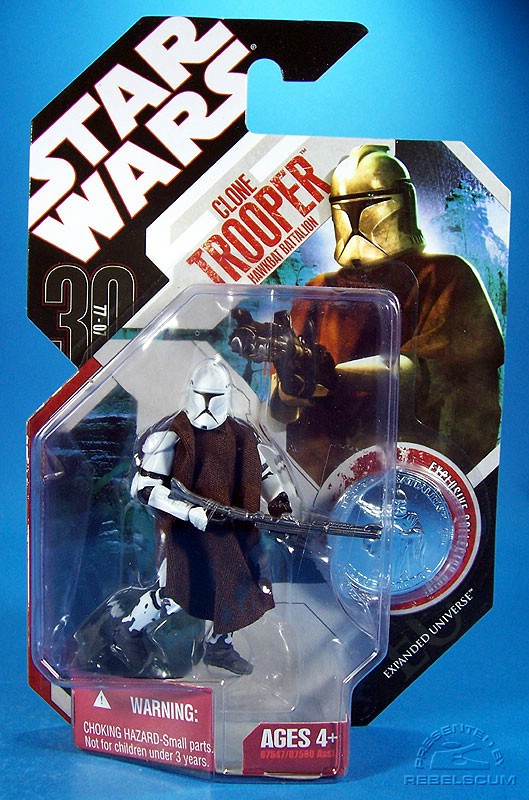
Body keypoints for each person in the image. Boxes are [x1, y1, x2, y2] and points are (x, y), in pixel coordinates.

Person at [231, 144, 504, 480]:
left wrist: (333, 375)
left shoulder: (444, 275)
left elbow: (438, 373)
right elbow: (280, 415)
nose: (356, 218)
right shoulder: (318, 290)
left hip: (416, 466)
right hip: (328, 474)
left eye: (368, 205)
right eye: (346, 207)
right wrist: (289, 391)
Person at [128, 358, 291, 675]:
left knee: (238, 590)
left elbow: (264, 473)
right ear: (191, 392)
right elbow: (145, 488)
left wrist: (280, 504)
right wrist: (189, 512)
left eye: (214, 396)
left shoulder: (242, 436)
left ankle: (219, 646)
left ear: (227, 395)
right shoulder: (171, 437)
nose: (206, 403)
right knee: (173, 593)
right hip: (184, 535)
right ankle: (130, 631)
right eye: (201, 395)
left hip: (232, 531)